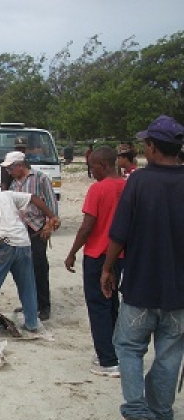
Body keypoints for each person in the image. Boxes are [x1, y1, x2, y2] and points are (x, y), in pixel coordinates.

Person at [100, 115, 184, 420]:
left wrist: (107, 268)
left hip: (140, 286)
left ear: (151, 146)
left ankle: (136, 416)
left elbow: (119, 233)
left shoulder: (139, 181)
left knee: (129, 349)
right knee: (169, 355)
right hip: (179, 294)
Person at [0, 183, 60, 338]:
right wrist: (52, 216)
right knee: (27, 285)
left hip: (0, 247)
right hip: (23, 243)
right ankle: (32, 323)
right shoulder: (5, 195)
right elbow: (33, 198)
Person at [64, 146, 125, 378]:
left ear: (103, 165)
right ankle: (115, 350)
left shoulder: (98, 189)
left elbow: (87, 226)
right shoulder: (127, 186)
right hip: (119, 255)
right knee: (112, 303)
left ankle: (107, 360)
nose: (91, 171)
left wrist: (72, 252)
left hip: (98, 255)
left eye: (92, 167)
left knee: (98, 306)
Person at [3, 151, 58, 321]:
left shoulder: (40, 178)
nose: (9, 172)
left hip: (38, 228)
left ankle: (44, 306)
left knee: (39, 268)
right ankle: (30, 303)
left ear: (19, 165)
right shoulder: (14, 184)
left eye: (11, 168)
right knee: (24, 268)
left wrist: (49, 225)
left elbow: (51, 204)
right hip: (21, 230)